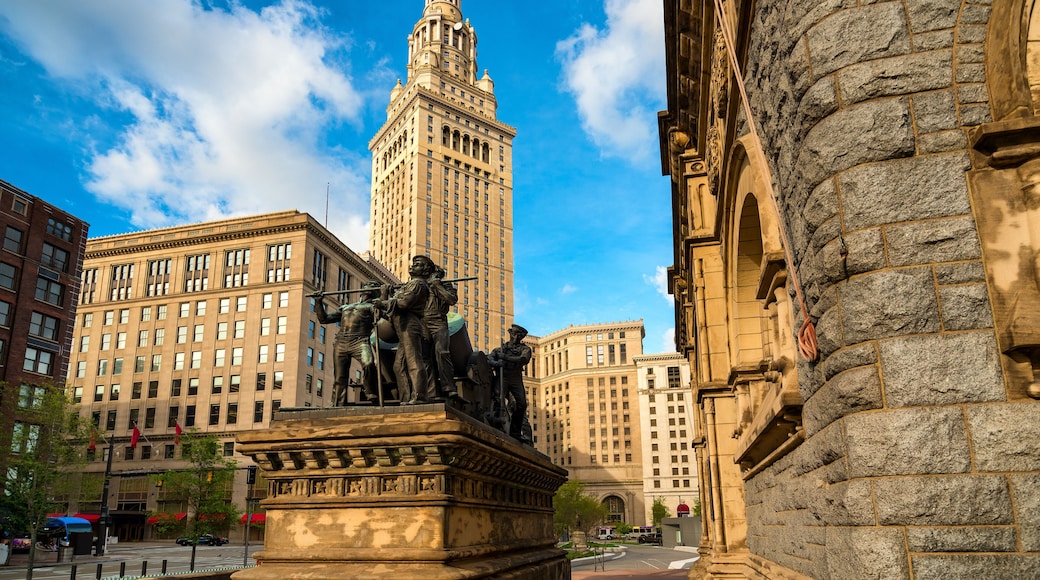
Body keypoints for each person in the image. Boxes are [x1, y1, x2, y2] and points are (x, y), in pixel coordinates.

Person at [314, 281, 382, 405]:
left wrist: (384, 297)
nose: (370, 286)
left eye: (373, 286)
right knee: (340, 377)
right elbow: (324, 319)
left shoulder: (374, 307)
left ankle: (371, 391)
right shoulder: (346, 307)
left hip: (360, 341)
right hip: (341, 342)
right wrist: (319, 302)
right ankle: (337, 404)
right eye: (368, 285)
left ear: (376, 292)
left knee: (368, 364)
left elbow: (387, 312)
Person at [376, 256, 432, 404]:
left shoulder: (418, 284)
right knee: (398, 365)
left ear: (425, 271)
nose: (413, 266)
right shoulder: (409, 285)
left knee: (413, 361)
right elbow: (392, 308)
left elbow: (404, 303)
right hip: (401, 326)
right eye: (413, 264)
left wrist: (383, 302)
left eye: (418, 265)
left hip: (409, 324)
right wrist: (384, 296)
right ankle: (406, 398)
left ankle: (420, 396)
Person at [488, 324, 533, 443]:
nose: (516, 337)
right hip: (502, 377)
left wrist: (506, 358)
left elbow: (524, 359)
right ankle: (497, 424)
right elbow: (489, 359)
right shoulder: (500, 349)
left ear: (522, 337)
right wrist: (497, 364)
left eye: (519, 335)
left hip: (515, 378)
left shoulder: (525, 349)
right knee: (498, 399)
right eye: (514, 334)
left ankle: (515, 432)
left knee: (522, 404)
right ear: (510, 334)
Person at [425, 265, 459, 399]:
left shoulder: (446, 286)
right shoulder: (421, 285)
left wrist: (438, 286)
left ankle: (449, 387)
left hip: (439, 321)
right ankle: (431, 391)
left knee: (442, 352)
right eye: (433, 274)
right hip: (422, 322)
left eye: (437, 275)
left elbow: (452, 300)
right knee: (424, 356)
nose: (434, 277)